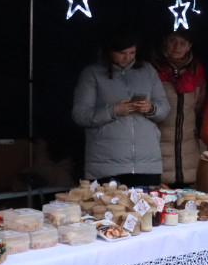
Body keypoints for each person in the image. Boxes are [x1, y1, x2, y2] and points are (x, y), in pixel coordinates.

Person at [72, 28, 170, 185]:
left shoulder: (147, 71)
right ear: (109, 51)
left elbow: (164, 107)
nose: (128, 58)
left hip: (146, 164)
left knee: (149, 201)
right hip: (106, 165)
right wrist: (113, 111)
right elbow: (80, 115)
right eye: (122, 53)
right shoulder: (92, 73)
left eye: (132, 53)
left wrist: (150, 108)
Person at [152, 30, 207, 187]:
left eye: (183, 43)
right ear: (165, 41)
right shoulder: (152, 69)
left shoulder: (196, 70)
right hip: (157, 146)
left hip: (188, 148)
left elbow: (198, 105)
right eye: (173, 41)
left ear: (189, 46)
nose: (177, 47)